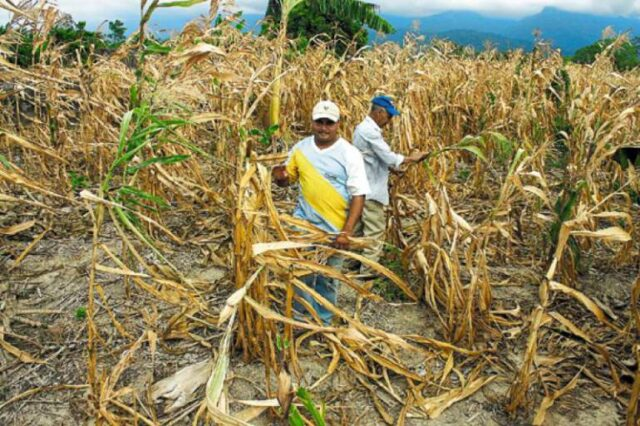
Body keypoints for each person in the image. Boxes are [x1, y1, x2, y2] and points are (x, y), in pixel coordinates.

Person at [273, 100, 370, 325]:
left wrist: (346, 232)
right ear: (312, 122)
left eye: (329, 123)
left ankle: (323, 322)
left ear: (338, 125)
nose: (323, 128)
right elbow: (288, 180)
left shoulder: (349, 153)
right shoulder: (300, 148)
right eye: (319, 122)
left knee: (327, 277)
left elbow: (359, 195)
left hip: (334, 228)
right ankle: (300, 319)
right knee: (300, 271)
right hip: (303, 224)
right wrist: (280, 178)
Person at [353, 96, 428, 271]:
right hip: (370, 191)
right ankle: (368, 271)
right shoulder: (369, 131)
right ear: (379, 112)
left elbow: (371, 157)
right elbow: (388, 156)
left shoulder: (363, 129)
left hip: (361, 187)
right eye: (389, 116)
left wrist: (392, 169)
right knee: (374, 231)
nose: (390, 121)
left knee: (359, 229)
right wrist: (411, 159)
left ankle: (352, 264)